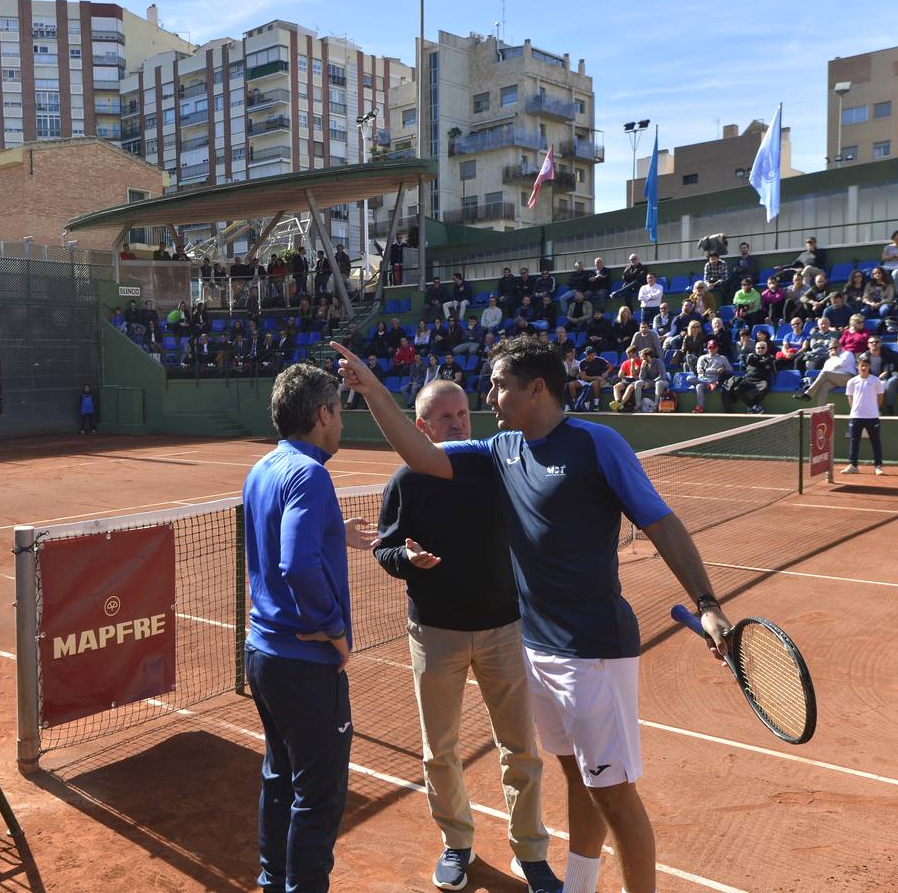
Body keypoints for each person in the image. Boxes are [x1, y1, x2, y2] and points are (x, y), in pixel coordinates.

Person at [330, 336, 733, 893]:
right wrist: (373, 388)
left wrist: (708, 604)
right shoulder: (502, 451)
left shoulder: (598, 444)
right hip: (536, 648)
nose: (489, 398)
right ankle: (581, 884)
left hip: (593, 651)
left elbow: (661, 523)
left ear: (536, 388)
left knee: (614, 793)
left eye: (498, 386)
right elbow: (418, 455)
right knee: (575, 774)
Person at [373, 381, 558, 893]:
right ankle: (457, 844)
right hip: (435, 633)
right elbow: (383, 550)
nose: (458, 423)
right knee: (440, 750)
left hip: (504, 628)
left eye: (462, 414)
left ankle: (531, 852)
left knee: (521, 747)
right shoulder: (406, 482)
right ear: (422, 428)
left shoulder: (496, 468)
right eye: (445, 417)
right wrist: (405, 559)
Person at [241, 363, 377, 893]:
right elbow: (295, 564)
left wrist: (331, 529)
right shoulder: (311, 474)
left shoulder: (263, 468)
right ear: (322, 413)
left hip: (262, 657)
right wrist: (334, 628)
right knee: (319, 797)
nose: (341, 423)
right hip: (304, 662)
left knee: (279, 777)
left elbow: (278, 535)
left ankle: (273, 882)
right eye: (340, 412)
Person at [842, 355, 884, 475]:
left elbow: (880, 397)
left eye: (866, 365)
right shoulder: (852, 382)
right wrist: (855, 410)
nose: (864, 367)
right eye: (862, 365)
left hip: (872, 417)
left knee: (875, 441)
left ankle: (878, 466)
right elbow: (850, 398)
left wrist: (874, 409)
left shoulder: (876, 381)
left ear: (869, 366)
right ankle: (853, 465)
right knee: (854, 441)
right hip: (856, 416)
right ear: (858, 366)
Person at [726, 340, 774, 413]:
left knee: (765, 388)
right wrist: (762, 364)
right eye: (758, 348)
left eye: (762, 348)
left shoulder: (770, 357)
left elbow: (762, 362)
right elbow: (752, 361)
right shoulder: (750, 356)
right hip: (749, 379)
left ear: (766, 349)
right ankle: (754, 406)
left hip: (761, 380)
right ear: (755, 348)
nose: (760, 349)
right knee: (737, 389)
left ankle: (751, 406)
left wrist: (760, 363)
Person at [692, 339, 733, 413]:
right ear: (707, 348)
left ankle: (699, 407)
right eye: (710, 347)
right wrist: (715, 370)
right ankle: (708, 385)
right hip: (702, 380)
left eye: (714, 347)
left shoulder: (722, 358)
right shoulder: (702, 358)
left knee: (698, 386)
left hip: (715, 381)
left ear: (717, 348)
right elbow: (700, 371)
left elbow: (730, 370)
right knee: (689, 379)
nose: (712, 349)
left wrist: (723, 369)